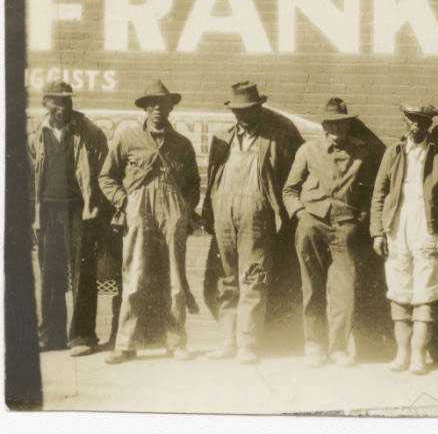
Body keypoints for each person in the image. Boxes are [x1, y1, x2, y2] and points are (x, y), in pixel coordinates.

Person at [98, 80, 200, 364]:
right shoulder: (127, 138)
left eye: (163, 103)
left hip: (172, 210)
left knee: (175, 279)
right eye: (152, 103)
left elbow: (193, 184)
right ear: (144, 108)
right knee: (135, 275)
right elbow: (106, 177)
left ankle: (176, 341)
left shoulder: (182, 144)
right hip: (138, 209)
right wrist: (124, 202)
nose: (158, 108)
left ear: (170, 107)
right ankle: (126, 344)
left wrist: (184, 210)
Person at [202, 81, 302, 365]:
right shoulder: (223, 139)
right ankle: (227, 340)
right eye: (237, 110)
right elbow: (212, 179)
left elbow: (296, 175)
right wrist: (210, 212)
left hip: (257, 218)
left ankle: (248, 343)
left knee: (254, 278)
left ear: (258, 108)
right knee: (226, 279)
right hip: (224, 216)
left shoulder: (276, 139)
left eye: (247, 109)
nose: (242, 115)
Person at [283, 98, 377, 368]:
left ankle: (338, 348)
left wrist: (361, 218)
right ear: (324, 125)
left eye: (343, 123)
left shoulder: (363, 153)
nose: (338, 128)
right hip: (312, 224)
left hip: (345, 228)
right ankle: (314, 345)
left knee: (343, 289)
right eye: (332, 123)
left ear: (348, 125)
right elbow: (289, 189)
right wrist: (301, 215)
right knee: (311, 286)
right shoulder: (308, 151)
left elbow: (372, 191)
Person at [371, 103, 438, 375]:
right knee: (398, 288)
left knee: (426, 290)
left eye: (422, 121)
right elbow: (379, 193)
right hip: (397, 226)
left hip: (427, 227)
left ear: (430, 123)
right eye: (411, 120)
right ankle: (402, 353)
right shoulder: (393, 153)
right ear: (405, 120)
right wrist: (377, 230)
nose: (416, 126)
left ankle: (419, 355)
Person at [28, 81, 110, 356]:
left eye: (67, 100)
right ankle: (51, 336)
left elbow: (103, 173)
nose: (62, 106)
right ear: (46, 103)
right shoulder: (37, 133)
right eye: (56, 101)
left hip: (80, 212)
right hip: (48, 212)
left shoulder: (89, 132)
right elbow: (29, 177)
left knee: (83, 274)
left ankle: (82, 336)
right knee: (50, 274)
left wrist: (96, 209)